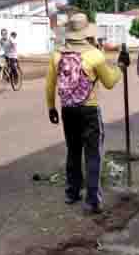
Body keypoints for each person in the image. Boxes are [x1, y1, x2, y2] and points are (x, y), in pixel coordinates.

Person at [45, 13, 122, 214]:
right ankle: (92, 201)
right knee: (93, 154)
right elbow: (110, 82)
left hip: (67, 109)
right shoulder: (95, 56)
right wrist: (120, 68)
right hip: (89, 110)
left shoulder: (56, 55)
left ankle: (72, 192)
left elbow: (50, 85)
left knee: (73, 150)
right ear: (87, 34)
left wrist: (51, 107)